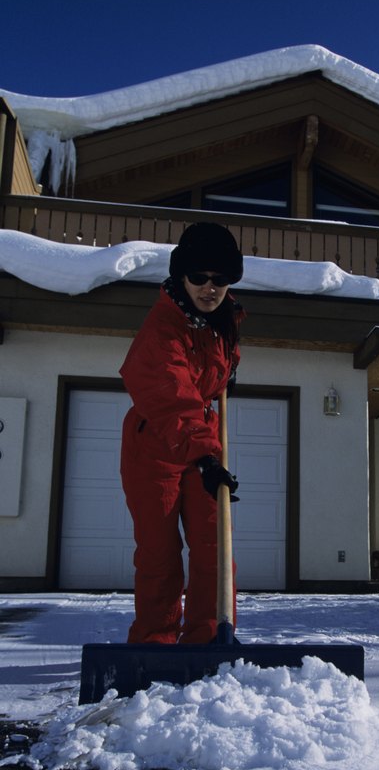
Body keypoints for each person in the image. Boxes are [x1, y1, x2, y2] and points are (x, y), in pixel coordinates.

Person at [119, 222, 244, 644]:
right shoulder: (162, 329)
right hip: (155, 440)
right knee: (159, 554)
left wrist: (226, 374)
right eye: (199, 277)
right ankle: (155, 641)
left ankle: (209, 638)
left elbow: (212, 369)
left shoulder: (223, 319)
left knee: (214, 546)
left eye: (220, 279)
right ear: (180, 277)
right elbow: (172, 394)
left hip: (201, 436)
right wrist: (206, 457)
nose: (210, 288)